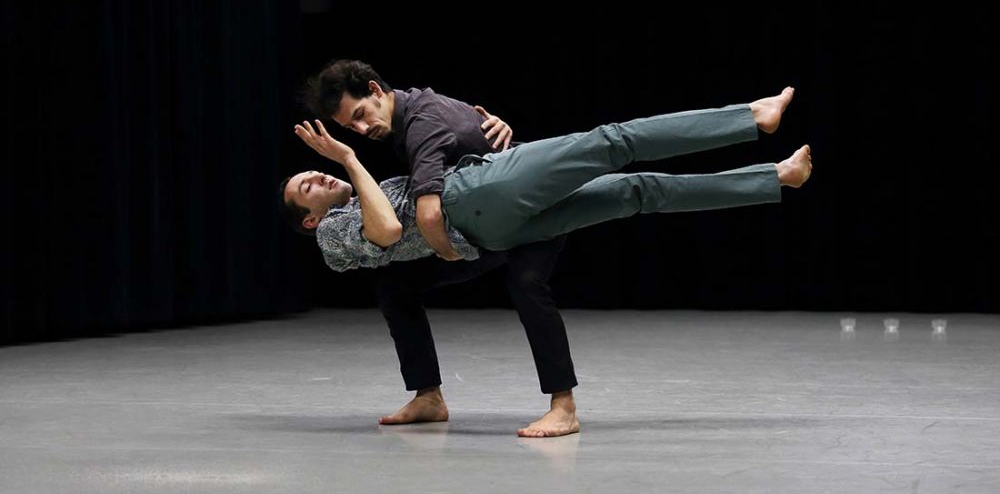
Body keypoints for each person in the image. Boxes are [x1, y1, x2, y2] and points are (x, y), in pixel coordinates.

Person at [280, 88, 811, 430]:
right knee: (612, 140)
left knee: (635, 191)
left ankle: (772, 177)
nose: (319, 175)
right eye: (307, 184)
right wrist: (348, 158)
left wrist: (493, 128)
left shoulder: (381, 163)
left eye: (314, 169)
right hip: (477, 201)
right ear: (308, 219)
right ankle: (748, 117)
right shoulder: (333, 235)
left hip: (496, 218)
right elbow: (392, 226)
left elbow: (444, 143)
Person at [299, 60, 577, 438]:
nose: (363, 130)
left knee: (527, 283)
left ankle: (564, 407)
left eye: (361, 115)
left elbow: (426, 209)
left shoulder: (421, 119)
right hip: (486, 223)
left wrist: (445, 249)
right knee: (395, 287)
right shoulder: (405, 118)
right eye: (351, 127)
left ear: (376, 90)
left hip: (528, 213)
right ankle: (428, 396)